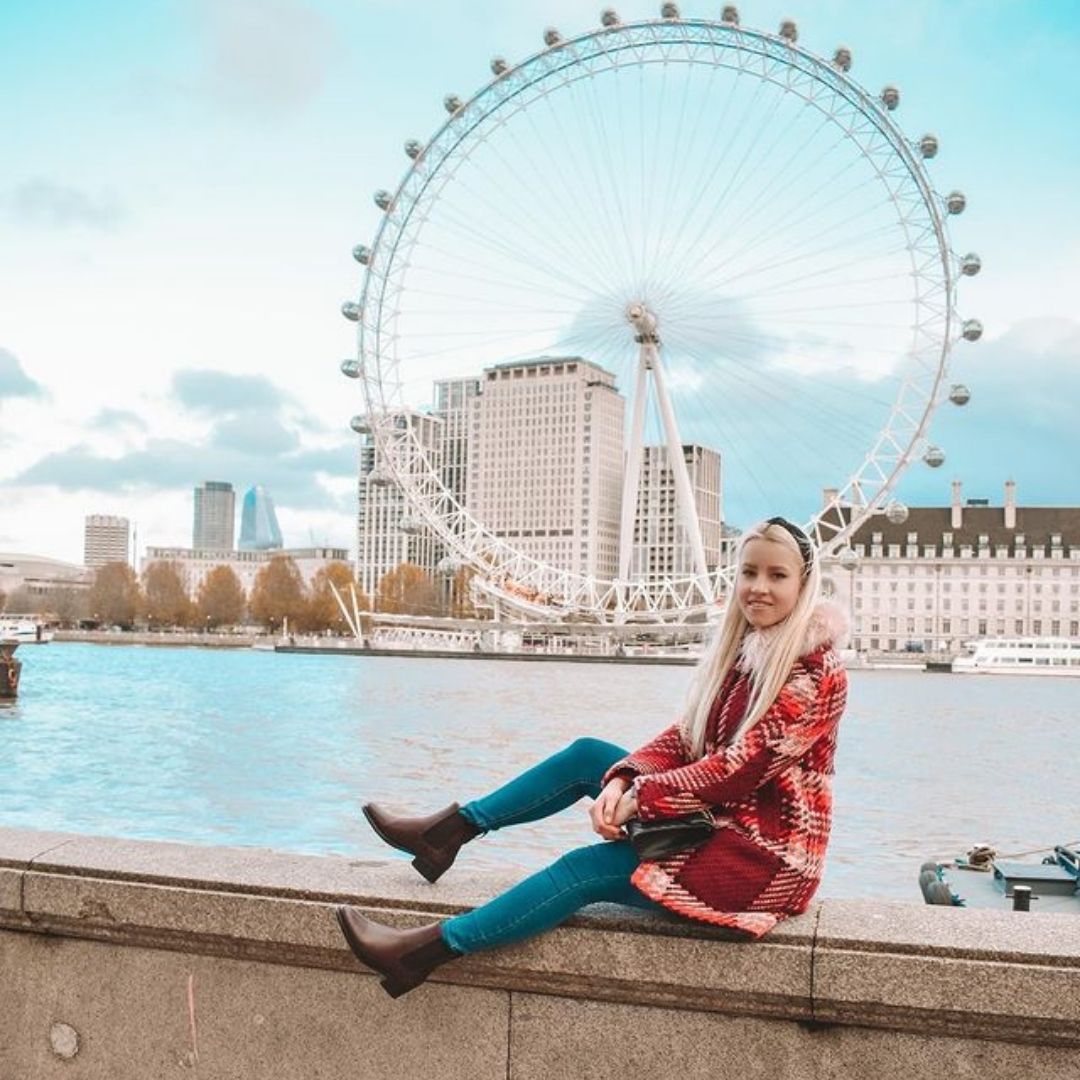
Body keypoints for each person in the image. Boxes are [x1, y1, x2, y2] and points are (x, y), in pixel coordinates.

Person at [337, 517, 850, 998]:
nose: (759, 586)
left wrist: (642, 799)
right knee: (589, 757)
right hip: (719, 821)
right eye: (749, 572)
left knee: (584, 871)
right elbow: (686, 737)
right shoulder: (747, 653)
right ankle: (446, 835)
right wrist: (623, 780)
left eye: (777, 575)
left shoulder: (813, 675)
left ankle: (421, 953)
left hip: (762, 859)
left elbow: (739, 771)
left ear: (803, 587)